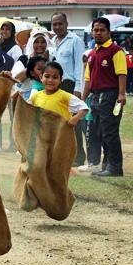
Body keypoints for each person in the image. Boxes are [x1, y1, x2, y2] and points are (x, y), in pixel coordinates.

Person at [81, 17, 127, 177]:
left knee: (110, 132)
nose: (98, 33)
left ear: (109, 32)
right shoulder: (92, 54)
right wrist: (82, 99)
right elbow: (88, 79)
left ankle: (115, 167)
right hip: (95, 97)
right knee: (100, 132)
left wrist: (121, 94)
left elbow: (122, 73)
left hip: (110, 95)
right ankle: (107, 165)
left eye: (102, 30)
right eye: (96, 30)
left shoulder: (116, 51)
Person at [51, 12, 87, 166]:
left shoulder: (75, 41)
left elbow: (80, 67)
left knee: (74, 123)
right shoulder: (52, 41)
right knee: (59, 123)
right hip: (55, 85)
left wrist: (78, 89)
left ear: (66, 24)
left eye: (60, 23)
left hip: (70, 85)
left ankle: (78, 157)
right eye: (54, 24)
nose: (57, 27)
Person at [29, 61, 88, 126]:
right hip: (41, 134)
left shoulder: (65, 96)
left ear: (60, 80)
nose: (50, 80)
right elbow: (25, 109)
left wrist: (75, 118)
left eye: (55, 77)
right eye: (47, 76)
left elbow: (84, 108)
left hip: (60, 135)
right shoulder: (35, 96)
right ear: (41, 77)